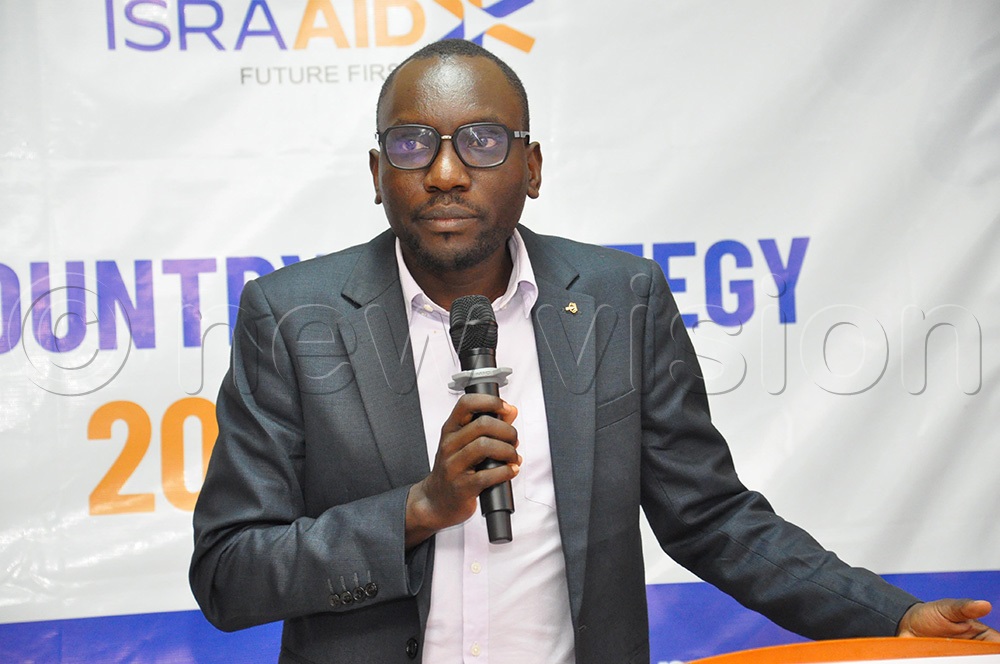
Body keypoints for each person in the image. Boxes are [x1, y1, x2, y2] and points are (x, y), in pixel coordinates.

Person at [190, 39, 998, 663]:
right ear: (376, 173)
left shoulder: (622, 301)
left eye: (480, 142)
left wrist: (889, 616)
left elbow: (712, 519)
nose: (443, 173)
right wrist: (416, 510)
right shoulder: (291, 318)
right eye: (410, 145)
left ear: (532, 167)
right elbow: (229, 573)